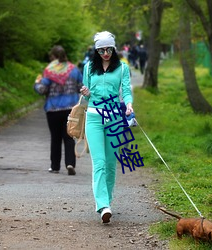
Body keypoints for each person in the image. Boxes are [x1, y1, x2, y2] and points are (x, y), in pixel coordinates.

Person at [80, 31, 133, 223]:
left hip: (114, 118)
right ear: (96, 50)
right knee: (99, 162)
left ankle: (107, 201)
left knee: (111, 164)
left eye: (109, 49)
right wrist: (85, 92)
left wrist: (128, 104)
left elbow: (126, 90)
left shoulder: (122, 68)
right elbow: (86, 97)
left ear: (114, 48)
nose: (105, 53)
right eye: (101, 50)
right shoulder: (88, 68)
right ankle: (102, 205)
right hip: (93, 117)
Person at [34, 45, 83, 175]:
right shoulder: (74, 70)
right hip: (70, 109)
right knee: (69, 137)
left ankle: (55, 166)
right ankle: (70, 163)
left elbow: (42, 90)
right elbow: (81, 87)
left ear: (53, 57)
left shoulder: (49, 71)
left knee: (55, 138)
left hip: (53, 109)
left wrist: (37, 83)